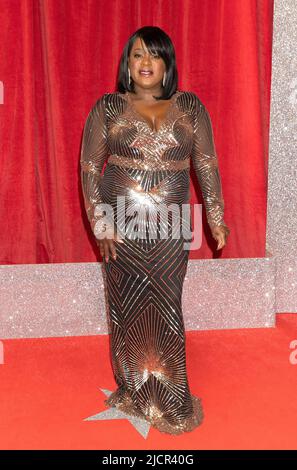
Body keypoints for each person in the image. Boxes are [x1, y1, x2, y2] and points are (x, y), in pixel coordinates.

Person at [80, 26, 230, 435]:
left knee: (167, 305)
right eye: (137, 56)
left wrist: (215, 216)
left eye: (154, 55)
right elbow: (91, 167)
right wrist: (100, 221)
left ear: (167, 64)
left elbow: (207, 164)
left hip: (172, 223)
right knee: (126, 308)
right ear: (127, 64)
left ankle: (172, 396)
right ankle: (133, 388)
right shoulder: (108, 107)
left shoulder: (190, 106)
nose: (145, 63)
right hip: (119, 223)